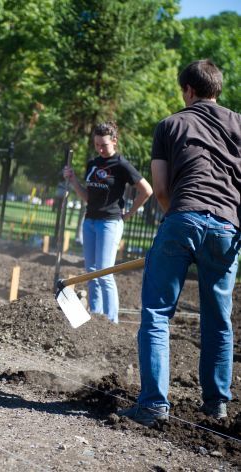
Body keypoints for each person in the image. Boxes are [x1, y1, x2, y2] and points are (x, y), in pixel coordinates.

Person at [120, 60, 241, 426]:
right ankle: (216, 404)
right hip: (227, 227)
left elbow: (159, 189)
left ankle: (154, 405)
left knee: (157, 314)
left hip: (183, 216)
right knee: (218, 319)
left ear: (188, 90)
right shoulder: (239, 123)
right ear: (216, 89)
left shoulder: (170, 124)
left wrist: (180, 222)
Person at [63, 122, 153, 323]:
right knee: (91, 272)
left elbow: (147, 190)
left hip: (109, 223)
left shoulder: (121, 165)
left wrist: (128, 214)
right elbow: (88, 197)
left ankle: (112, 321)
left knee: (104, 272)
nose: (100, 149)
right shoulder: (93, 163)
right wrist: (73, 179)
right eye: (97, 145)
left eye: (104, 145)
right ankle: (96, 314)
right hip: (90, 222)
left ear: (114, 141)